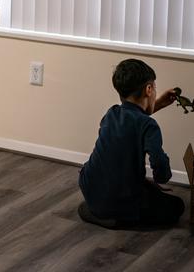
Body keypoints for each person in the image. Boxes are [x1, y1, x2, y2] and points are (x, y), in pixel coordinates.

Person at [77, 58, 185, 229]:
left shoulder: (111, 114)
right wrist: (162, 177)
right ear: (149, 89)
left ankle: (98, 211)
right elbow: (159, 165)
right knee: (178, 206)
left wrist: (159, 104)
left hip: (90, 188)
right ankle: (119, 217)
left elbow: (132, 122)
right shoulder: (149, 126)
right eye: (154, 89)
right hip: (122, 199)